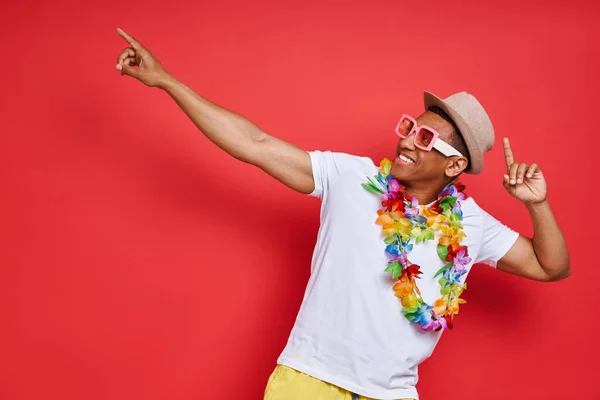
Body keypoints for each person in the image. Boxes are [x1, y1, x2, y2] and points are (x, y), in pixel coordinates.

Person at [114, 28, 570, 400]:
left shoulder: (471, 225)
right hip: (308, 383)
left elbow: (552, 266)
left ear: (454, 165)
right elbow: (255, 144)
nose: (408, 141)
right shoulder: (351, 177)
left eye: (426, 139)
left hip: (391, 396)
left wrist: (537, 205)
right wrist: (167, 81)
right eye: (410, 128)